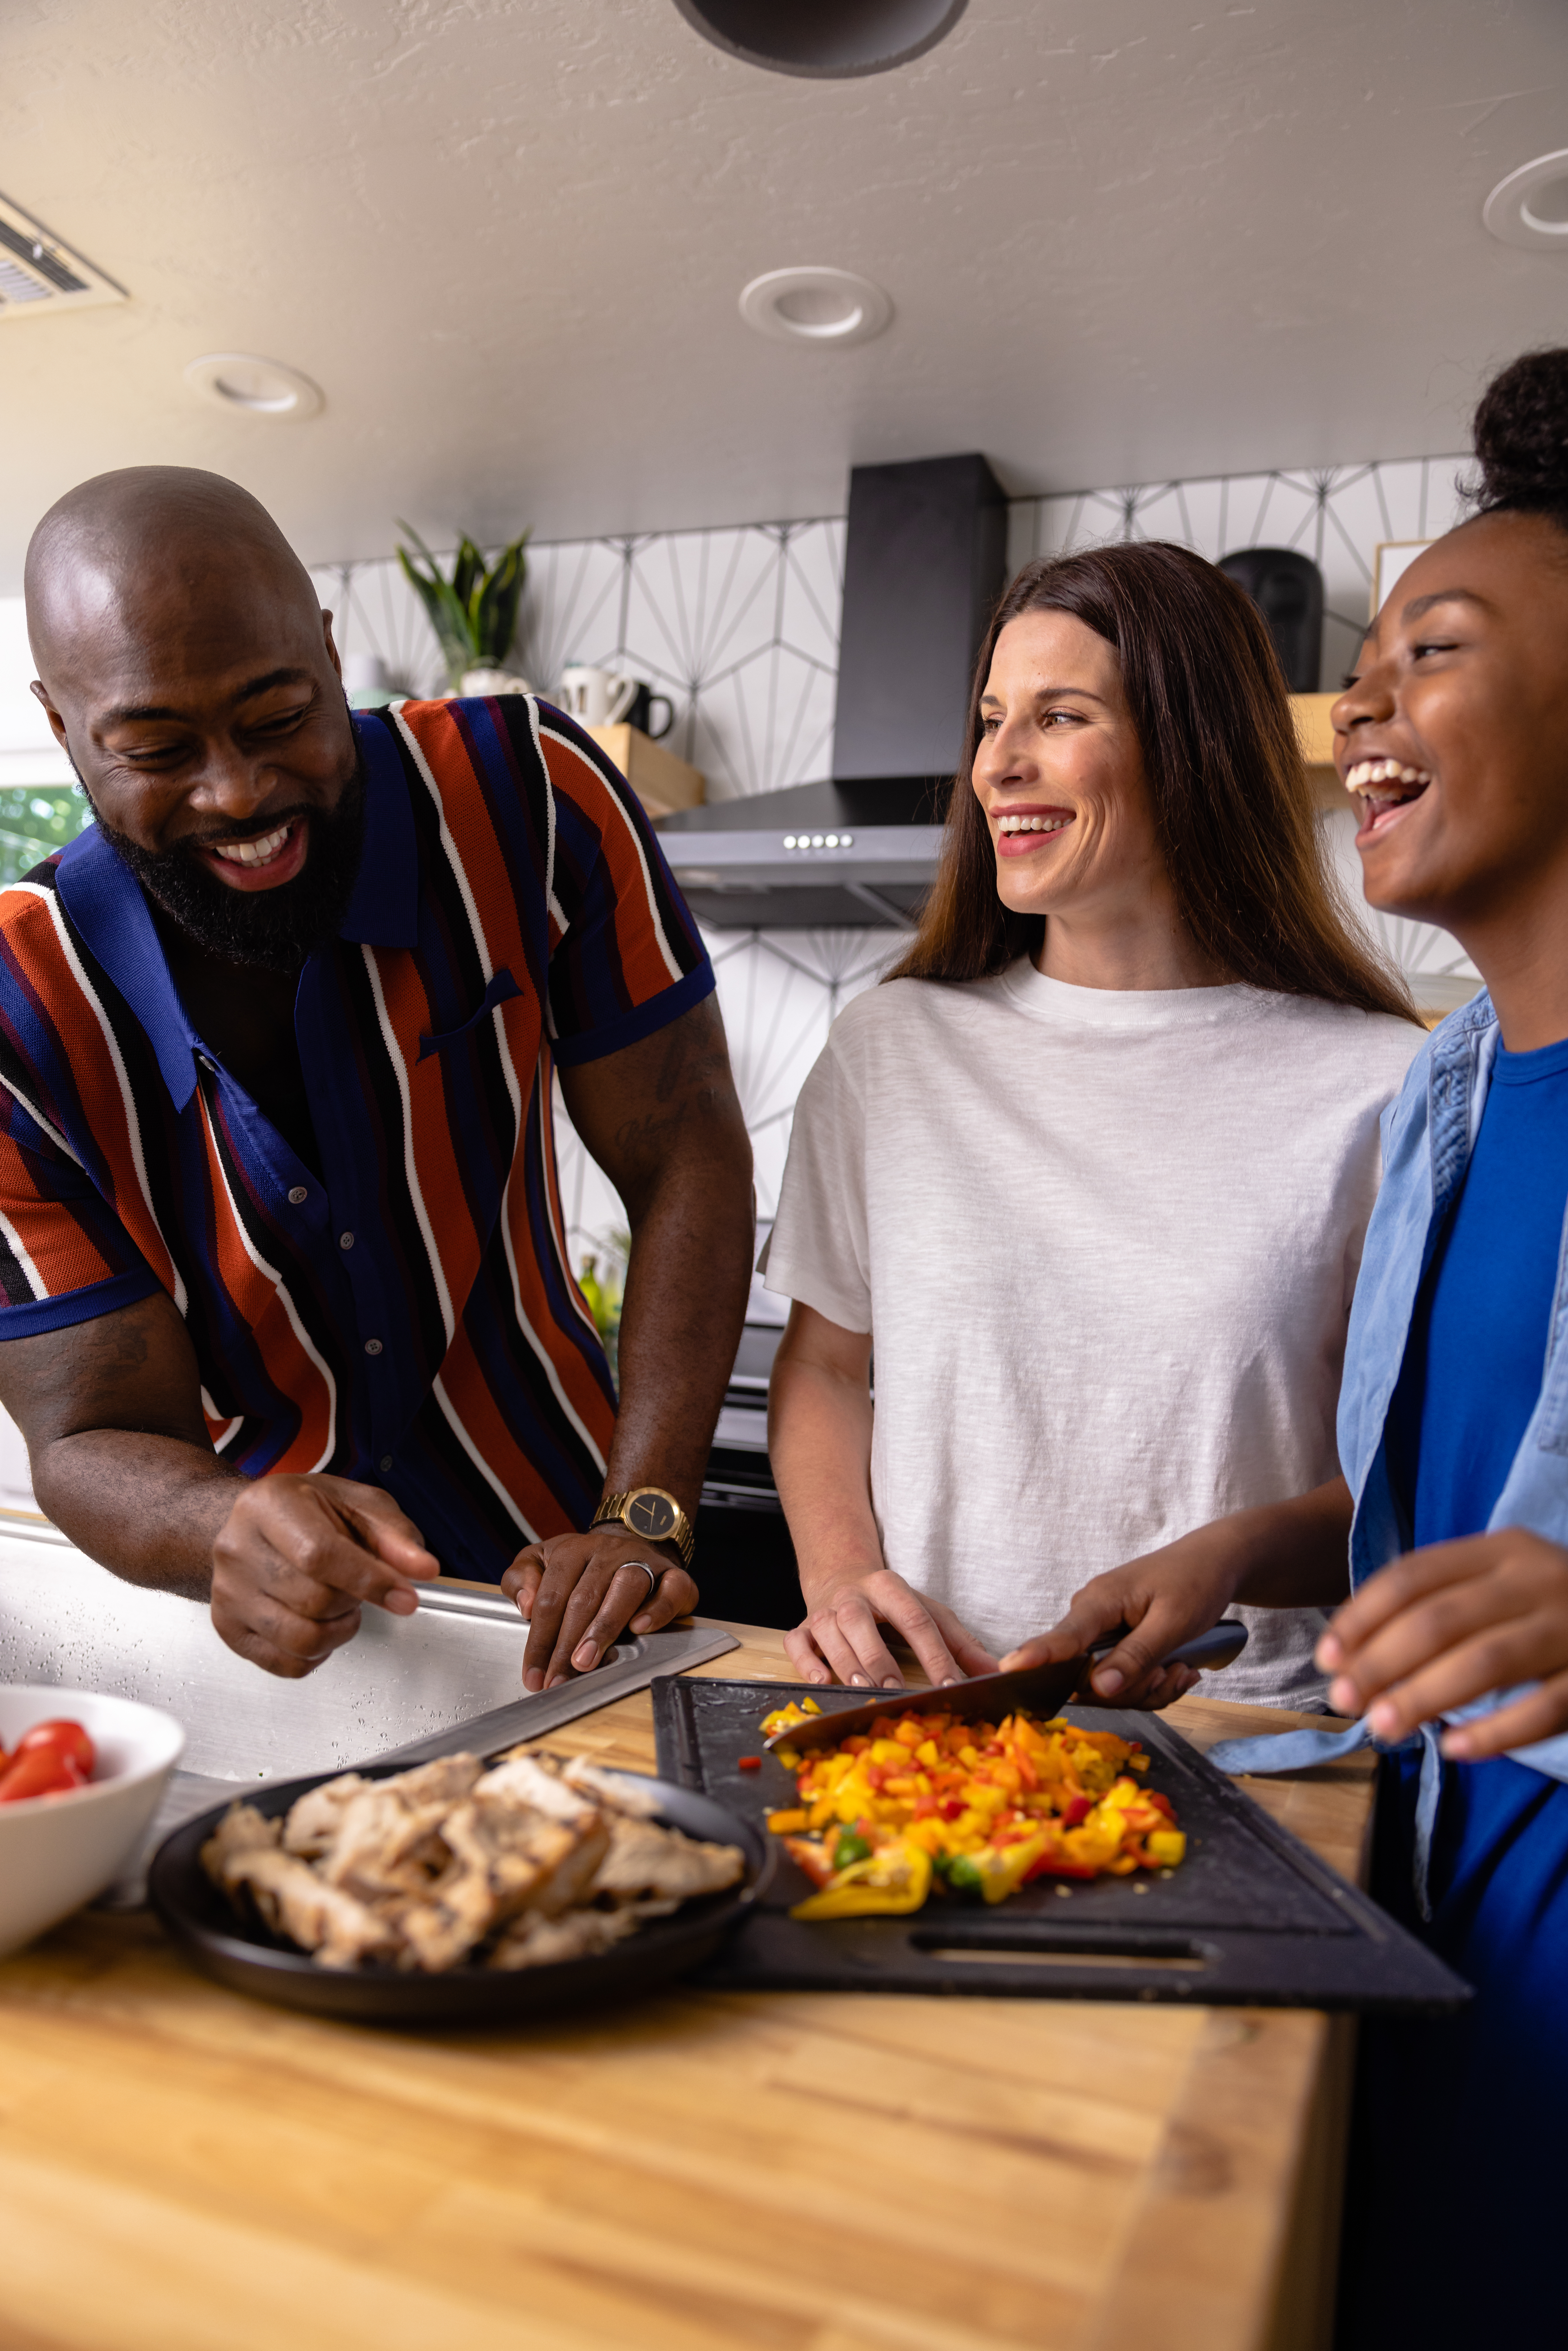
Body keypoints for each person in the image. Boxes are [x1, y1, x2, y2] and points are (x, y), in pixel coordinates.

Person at [1005, 350, 1568, 2341]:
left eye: (1434, 647)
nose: (1367, 704)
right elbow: (1455, 1538)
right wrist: (1248, 1550)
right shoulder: (1446, 1105)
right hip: (1414, 1911)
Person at [0, 467, 753, 1689]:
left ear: (332, 652)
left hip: (572, 1567)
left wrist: (644, 1515)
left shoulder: (530, 797)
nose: (238, 791)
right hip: (284, 1628)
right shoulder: (14, 1012)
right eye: (157, 748)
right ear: (62, 726)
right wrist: (216, 1528)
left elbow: (687, 1149)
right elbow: (88, 1431)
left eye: (277, 714)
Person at [761, 540, 1422, 1701]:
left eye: (1058, 716)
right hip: (932, 1716)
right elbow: (822, 1365)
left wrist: (1228, 1561)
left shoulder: (1382, 1082)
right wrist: (840, 1575)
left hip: (1248, 1738)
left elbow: (1409, 1469)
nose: (998, 764)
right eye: (989, 719)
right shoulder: (892, 1049)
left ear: (1190, 748)